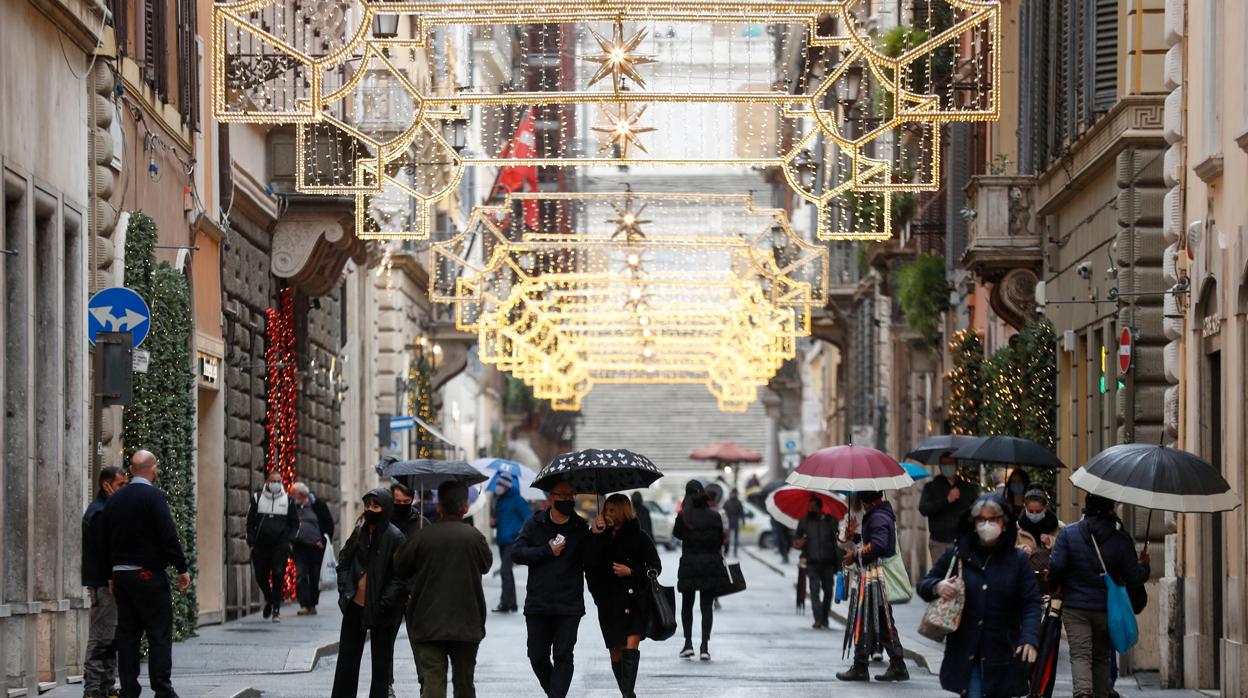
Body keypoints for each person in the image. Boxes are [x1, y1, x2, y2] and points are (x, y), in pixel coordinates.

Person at [918, 494, 1042, 697]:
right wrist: (937, 586)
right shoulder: (957, 554)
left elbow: (1031, 603)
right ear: (973, 523)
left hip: (1003, 653)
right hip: (968, 653)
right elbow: (923, 585)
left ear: (1004, 523)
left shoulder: (1017, 561)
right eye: (981, 519)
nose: (987, 524)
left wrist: (1029, 638)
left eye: (993, 519)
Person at [100, 450, 191, 698]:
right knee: (158, 633)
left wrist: (110, 574)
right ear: (153, 469)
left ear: (131, 471)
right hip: (148, 575)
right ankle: (162, 689)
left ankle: (129, 689)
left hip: (121, 577)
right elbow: (168, 535)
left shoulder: (114, 500)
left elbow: (105, 539)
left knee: (128, 634)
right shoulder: (154, 497)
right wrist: (181, 568)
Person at [395, 480, 493, 698]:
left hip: (427, 620)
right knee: (465, 683)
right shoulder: (474, 537)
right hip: (467, 622)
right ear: (465, 507)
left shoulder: (423, 535)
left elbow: (400, 566)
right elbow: (486, 565)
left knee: (433, 682)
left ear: (438, 507)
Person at [1048, 494, 1150, 698]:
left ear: (1086, 508)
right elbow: (1133, 576)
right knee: (1101, 656)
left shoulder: (1068, 534)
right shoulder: (1121, 539)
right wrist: (1144, 565)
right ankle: (1102, 693)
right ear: (1111, 508)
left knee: (1080, 655)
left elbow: (1056, 567)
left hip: (1075, 606)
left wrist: (1056, 584)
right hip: (1106, 608)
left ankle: (1083, 693)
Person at [513, 478, 590, 698]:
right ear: (550, 498)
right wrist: (547, 551)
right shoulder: (534, 523)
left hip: (569, 604)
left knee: (564, 655)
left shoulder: (580, 527)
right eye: (562, 495)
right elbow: (517, 553)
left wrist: (597, 537)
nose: (567, 499)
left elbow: (592, 561)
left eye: (570, 495)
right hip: (539, 602)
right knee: (536, 655)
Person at [331, 488, 408, 698]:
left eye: (375, 505)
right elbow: (343, 563)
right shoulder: (359, 532)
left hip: (382, 609)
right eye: (367, 505)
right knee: (347, 662)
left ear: (385, 508)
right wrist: (345, 591)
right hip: (355, 605)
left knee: (381, 666)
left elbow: (401, 576)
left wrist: (386, 601)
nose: (370, 509)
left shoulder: (395, 537)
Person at [586, 494, 661, 698]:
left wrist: (632, 572)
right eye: (606, 510)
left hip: (634, 600)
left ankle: (627, 696)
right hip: (608, 602)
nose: (608, 514)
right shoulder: (599, 535)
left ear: (623, 511)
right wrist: (594, 533)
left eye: (612, 510)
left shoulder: (639, 537)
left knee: (630, 648)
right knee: (616, 652)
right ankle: (628, 693)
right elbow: (589, 565)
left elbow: (656, 567)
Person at [836, 490, 909, 682]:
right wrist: (855, 539)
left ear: (866, 500)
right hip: (872, 577)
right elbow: (871, 542)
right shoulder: (879, 514)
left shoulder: (878, 516)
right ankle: (893, 664)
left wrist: (856, 555)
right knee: (878, 620)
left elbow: (878, 545)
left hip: (876, 577)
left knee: (871, 619)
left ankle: (863, 666)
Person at [82, 465, 128, 698]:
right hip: (104, 584)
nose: (124, 489)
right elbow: (104, 551)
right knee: (101, 636)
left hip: (106, 582)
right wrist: (111, 578)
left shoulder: (106, 509)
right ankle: (93, 689)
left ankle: (107, 686)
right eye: (121, 485)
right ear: (106, 485)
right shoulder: (100, 512)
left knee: (109, 637)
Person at [672, 480, 723, 661]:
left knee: (687, 604)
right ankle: (704, 647)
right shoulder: (714, 516)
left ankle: (687, 644)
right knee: (706, 606)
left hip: (689, 564)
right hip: (710, 564)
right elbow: (719, 542)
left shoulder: (684, 516)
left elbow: (676, 535)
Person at [246, 469, 299, 622]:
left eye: (278, 481)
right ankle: (269, 599)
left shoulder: (288, 501)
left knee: (277, 575)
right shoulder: (257, 498)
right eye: (273, 481)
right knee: (260, 577)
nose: (275, 484)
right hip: (261, 546)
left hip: (280, 546)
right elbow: (249, 522)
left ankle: (276, 609)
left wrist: (289, 540)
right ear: (267, 482)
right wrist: (251, 541)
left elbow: (295, 523)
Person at [918, 456, 979, 565]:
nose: (948, 467)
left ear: (956, 465)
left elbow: (975, 510)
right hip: (939, 542)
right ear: (940, 466)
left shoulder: (967, 488)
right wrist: (947, 500)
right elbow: (924, 509)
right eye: (944, 464)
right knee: (942, 578)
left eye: (950, 463)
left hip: (962, 542)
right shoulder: (931, 487)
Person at [793, 495, 840, 630]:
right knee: (814, 591)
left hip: (828, 562)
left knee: (828, 591)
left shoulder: (831, 521)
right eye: (809, 508)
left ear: (820, 508)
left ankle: (825, 616)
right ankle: (817, 618)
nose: (810, 510)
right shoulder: (804, 522)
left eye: (813, 508)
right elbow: (796, 540)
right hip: (812, 561)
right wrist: (799, 543)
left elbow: (838, 540)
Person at [289, 482, 334, 616]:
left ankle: (312, 604)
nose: (292, 496)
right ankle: (304, 605)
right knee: (301, 576)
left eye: (294, 494)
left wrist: (324, 541)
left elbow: (328, 523)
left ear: (301, 494)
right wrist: (290, 540)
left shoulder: (318, 505)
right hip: (300, 547)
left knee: (314, 577)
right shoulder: (293, 507)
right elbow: (289, 523)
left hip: (316, 548)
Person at [492, 471, 530, 613]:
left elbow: (528, 518)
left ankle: (505, 603)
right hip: (502, 540)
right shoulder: (500, 500)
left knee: (505, 571)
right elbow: (501, 520)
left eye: (500, 484)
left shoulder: (517, 500)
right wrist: (493, 523)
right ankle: (511, 603)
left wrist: (518, 533)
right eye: (497, 484)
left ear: (507, 485)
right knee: (507, 573)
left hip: (512, 541)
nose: (498, 486)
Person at [1015, 488, 1062, 595]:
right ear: (1025, 508)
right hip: (1025, 582)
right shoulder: (1016, 529)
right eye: (1031, 511)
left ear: (1045, 508)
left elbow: (1065, 549)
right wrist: (1022, 549)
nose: (1034, 514)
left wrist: (1051, 541)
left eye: (1038, 511)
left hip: (1051, 583)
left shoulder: (1059, 527)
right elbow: (1008, 550)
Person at [723, 491, 744, 556]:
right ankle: (735, 552)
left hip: (728, 521)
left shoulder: (727, 502)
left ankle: (727, 551)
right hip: (735, 520)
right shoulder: (738, 502)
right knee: (735, 538)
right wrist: (743, 521)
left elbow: (723, 512)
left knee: (728, 537)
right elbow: (741, 513)